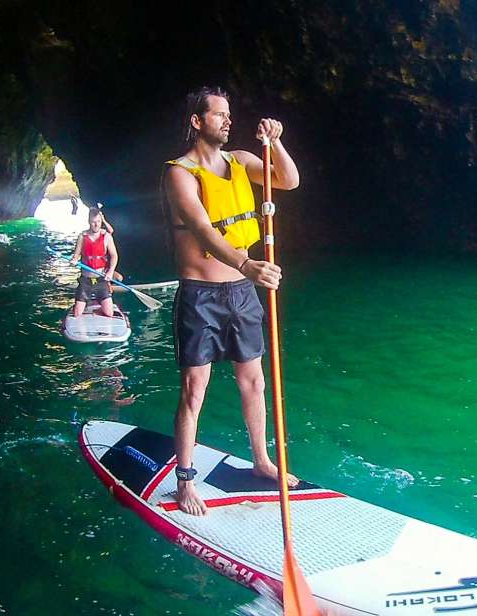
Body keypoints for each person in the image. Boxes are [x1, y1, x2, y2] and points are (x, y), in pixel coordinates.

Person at [160, 86, 301, 516]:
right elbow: (203, 230)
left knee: (254, 382)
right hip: (201, 294)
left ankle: (261, 461)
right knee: (194, 389)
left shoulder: (240, 160)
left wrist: (275, 142)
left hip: (241, 293)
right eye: (218, 115)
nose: (227, 120)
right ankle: (185, 481)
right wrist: (248, 266)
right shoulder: (179, 173)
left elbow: (288, 180)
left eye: (228, 114)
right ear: (197, 121)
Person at [69, 206, 119, 318]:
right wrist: (75, 259)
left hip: (101, 280)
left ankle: (100, 305)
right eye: (93, 222)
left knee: (109, 313)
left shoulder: (106, 237)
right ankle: (82, 303)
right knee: (77, 314)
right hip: (86, 281)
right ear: (89, 222)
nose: (96, 225)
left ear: (101, 221)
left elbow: (114, 256)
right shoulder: (82, 236)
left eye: (98, 222)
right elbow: (77, 254)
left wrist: (110, 271)